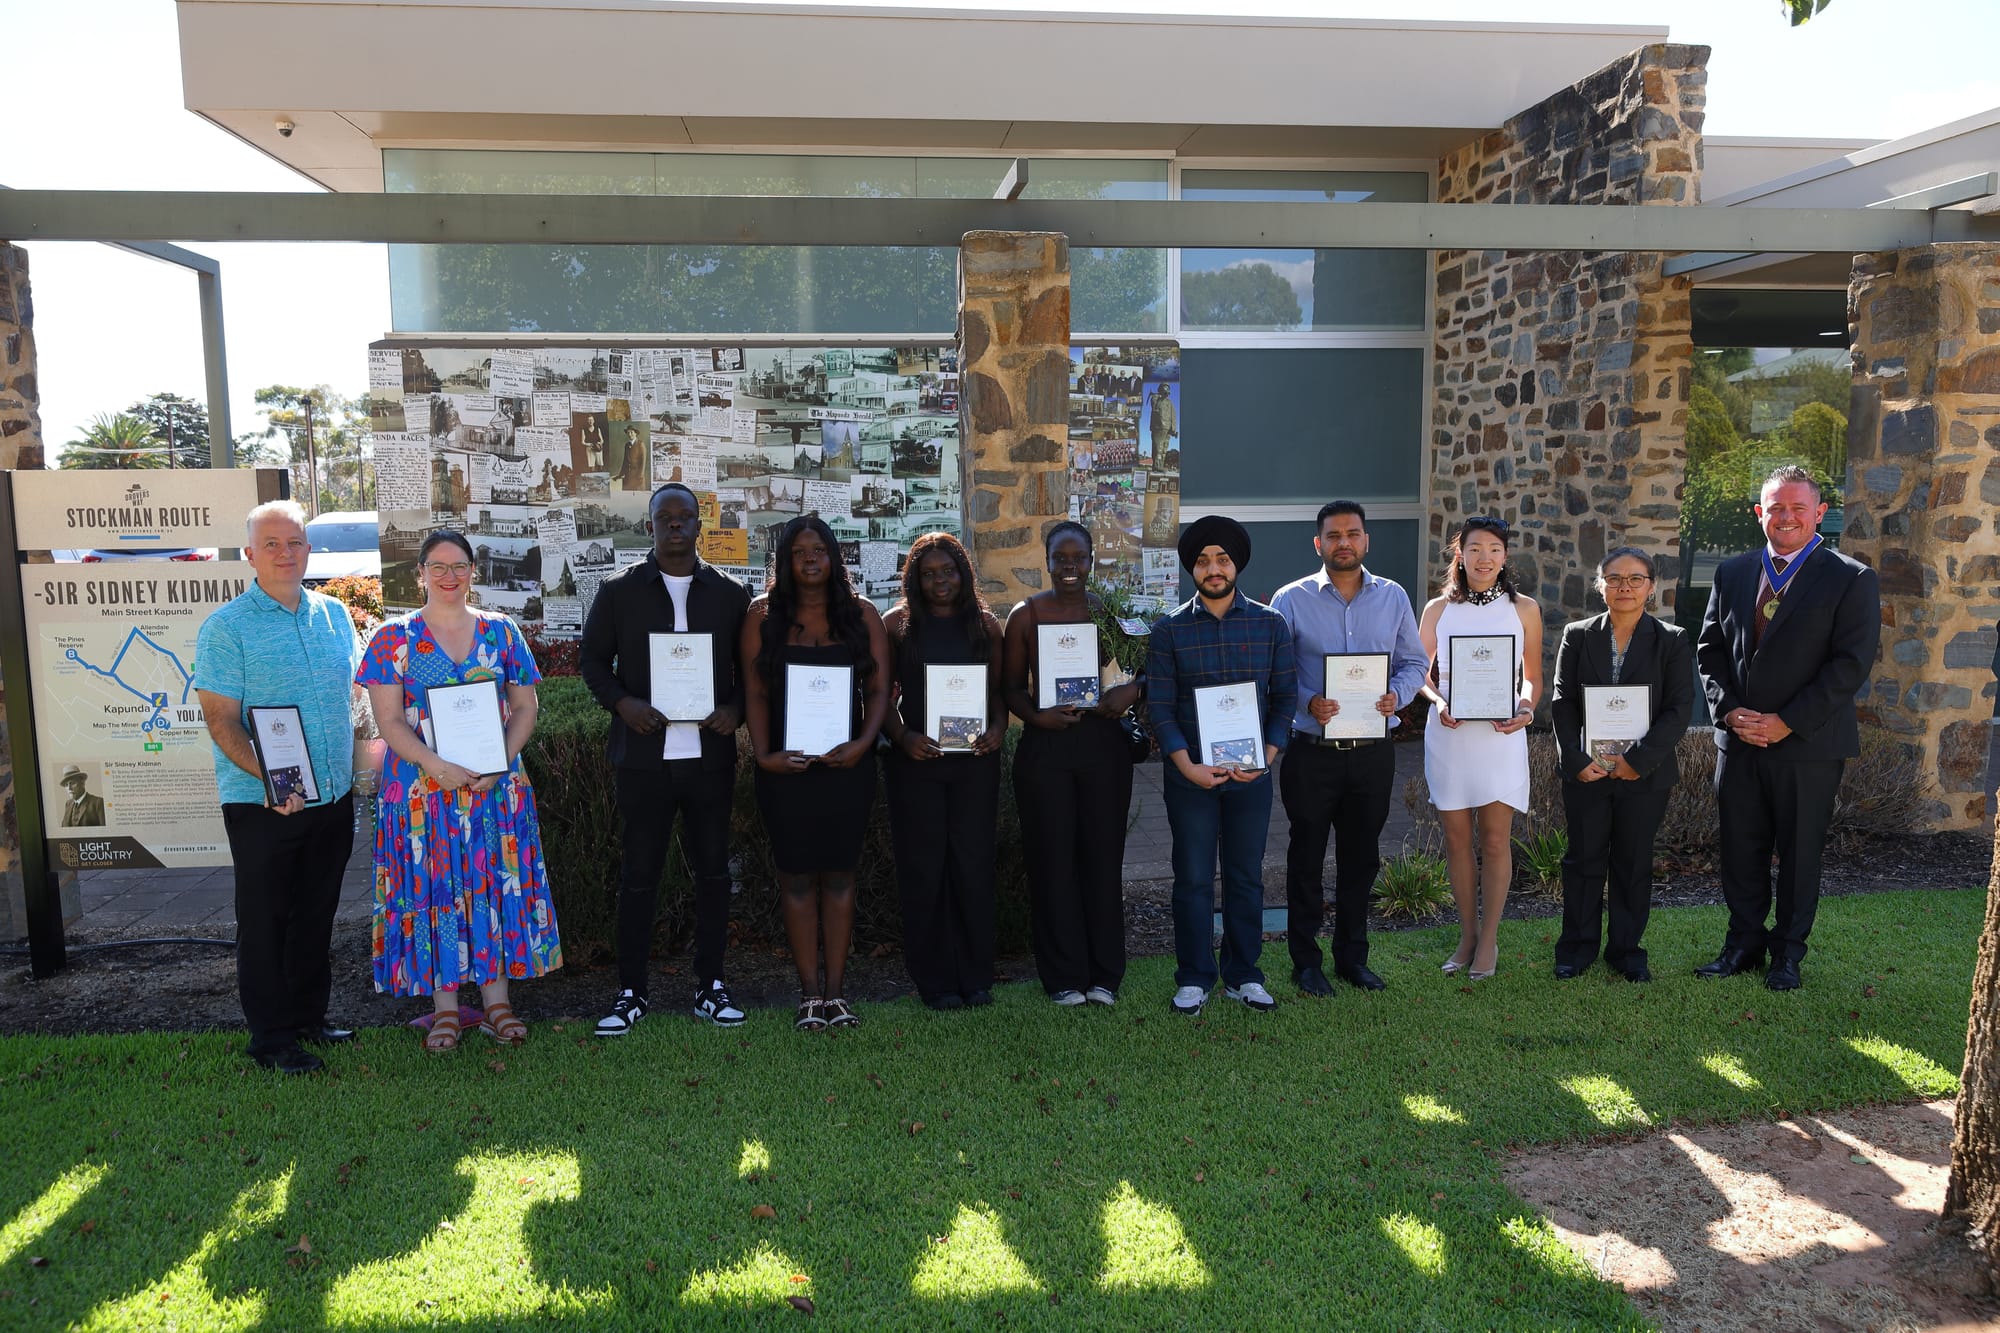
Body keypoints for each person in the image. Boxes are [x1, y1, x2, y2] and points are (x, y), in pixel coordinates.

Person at [359, 530, 562, 1051]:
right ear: (420, 573)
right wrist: (434, 764)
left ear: (474, 571)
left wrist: (501, 760)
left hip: (495, 791)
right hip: (422, 795)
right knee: (434, 893)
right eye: (438, 566)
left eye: (461, 566)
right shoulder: (392, 639)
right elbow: (388, 720)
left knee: (494, 888)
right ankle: (444, 1007)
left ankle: (498, 1002)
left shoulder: (502, 633)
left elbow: (525, 707)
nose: (450, 576)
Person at [194, 499, 365, 1075]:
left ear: (308, 550)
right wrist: (267, 779)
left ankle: (308, 1018)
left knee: (316, 915)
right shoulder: (226, 628)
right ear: (249, 555)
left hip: (334, 797)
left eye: (294, 543)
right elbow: (221, 719)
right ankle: (271, 1038)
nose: (285, 554)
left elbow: (357, 701)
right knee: (267, 922)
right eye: (271, 544)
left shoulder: (336, 615)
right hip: (264, 803)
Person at [1695, 464, 1880, 991]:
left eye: (1799, 507)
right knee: (1740, 849)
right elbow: (1709, 654)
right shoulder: (1732, 572)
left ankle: (1788, 955)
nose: (1787, 517)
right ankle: (1742, 945)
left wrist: (1787, 722)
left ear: (1820, 513)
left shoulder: (1851, 577)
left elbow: (1850, 664)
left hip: (1808, 744)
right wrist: (1730, 713)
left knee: (1799, 854)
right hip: (1740, 740)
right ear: (1760, 514)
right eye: (1776, 507)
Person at [581, 483, 751, 1036]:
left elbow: (753, 672)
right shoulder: (619, 592)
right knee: (639, 876)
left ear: (699, 524)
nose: (675, 525)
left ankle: (711, 986)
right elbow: (592, 664)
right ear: (650, 526)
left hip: (708, 760)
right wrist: (623, 703)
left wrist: (736, 708)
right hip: (643, 760)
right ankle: (632, 991)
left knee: (712, 875)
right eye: (664, 517)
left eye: (685, 517)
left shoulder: (730, 594)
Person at [1268, 501, 1428, 995]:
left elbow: (1414, 663)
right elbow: (1275, 673)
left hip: (1372, 754)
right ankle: (1306, 963)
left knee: (1361, 859)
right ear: (1319, 544)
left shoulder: (1394, 596)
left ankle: (1352, 959)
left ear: (1366, 541)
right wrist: (1306, 701)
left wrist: (1395, 696)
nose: (1344, 542)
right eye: (1333, 535)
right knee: (1307, 858)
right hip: (1312, 752)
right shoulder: (1290, 599)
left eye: (1352, 533)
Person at [742, 514, 893, 1031]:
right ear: (784, 561)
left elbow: (878, 692)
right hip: (785, 771)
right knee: (797, 878)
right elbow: (756, 694)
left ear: (834, 558)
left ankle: (837, 994)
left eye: (819, 550)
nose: (810, 560)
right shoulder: (762, 616)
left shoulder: (862, 615)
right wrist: (764, 755)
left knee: (841, 877)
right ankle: (809, 995)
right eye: (799, 552)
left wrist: (862, 744)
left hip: (846, 768)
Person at [1147, 515, 1296, 1016]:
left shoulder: (1270, 624)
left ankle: (1244, 974)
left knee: (1246, 876)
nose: (1214, 568)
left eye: (1223, 559)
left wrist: (1268, 758)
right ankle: (1193, 975)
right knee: (1191, 876)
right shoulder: (1168, 631)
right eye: (1204, 561)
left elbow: (1286, 698)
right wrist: (1186, 766)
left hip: (1251, 778)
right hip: (1190, 778)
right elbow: (1161, 708)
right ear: (1193, 568)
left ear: (1237, 565)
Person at [1001, 521, 1142, 1007]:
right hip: (1047, 749)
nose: (1068, 567)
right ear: (1047, 560)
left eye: (1077, 558)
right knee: (1052, 861)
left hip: (1103, 745)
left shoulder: (1110, 611)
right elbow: (1011, 688)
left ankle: (1105, 974)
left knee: (1102, 860)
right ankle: (1062, 976)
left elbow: (1140, 669)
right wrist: (1037, 716)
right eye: (1059, 558)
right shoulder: (1026, 615)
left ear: (1091, 559)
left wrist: (1131, 690)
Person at [1548, 547, 1693, 983]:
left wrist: (1638, 761)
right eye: (1614, 578)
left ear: (1651, 587)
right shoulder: (1578, 635)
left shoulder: (1672, 640)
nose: (1624, 587)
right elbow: (1563, 702)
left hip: (1643, 776)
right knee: (1583, 861)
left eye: (1635, 579)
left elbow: (1678, 708)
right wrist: (1574, 760)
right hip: (1587, 773)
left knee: (1632, 863)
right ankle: (1576, 949)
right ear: (1600, 584)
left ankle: (1627, 951)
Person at [881, 532, 1006, 1011]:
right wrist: (902, 736)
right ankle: (933, 981)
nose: (940, 581)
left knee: (972, 868)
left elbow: (998, 695)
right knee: (924, 868)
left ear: (964, 574)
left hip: (975, 765)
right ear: (914, 577)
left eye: (948, 571)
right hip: (917, 764)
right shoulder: (897, 626)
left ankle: (976, 978)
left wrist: (997, 728)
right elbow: (879, 699)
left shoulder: (987, 626)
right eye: (928, 573)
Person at [1417, 515, 1542, 982]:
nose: (1484, 557)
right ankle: (1466, 935)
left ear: (1505, 556)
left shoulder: (1524, 608)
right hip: (1450, 732)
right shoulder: (1437, 609)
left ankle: (1489, 939)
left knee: (1494, 839)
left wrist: (1527, 707)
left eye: (1493, 548)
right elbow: (1418, 671)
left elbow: (1533, 674)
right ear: (1460, 555)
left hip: (1501, 733)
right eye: (1474, 548)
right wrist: (1438, 700)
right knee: (1456, 839)